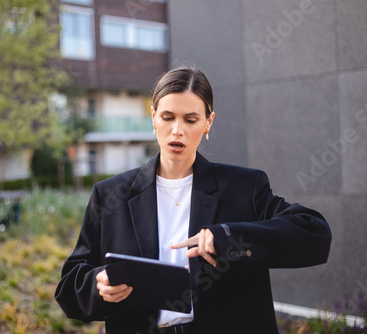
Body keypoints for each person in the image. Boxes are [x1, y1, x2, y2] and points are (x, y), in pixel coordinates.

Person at [55, 66, 331, 334]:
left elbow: (314, 233)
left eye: (190, 119)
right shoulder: (110, 195)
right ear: (153, 118)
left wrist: (227, 238)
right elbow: (69, 286)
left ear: (208, 122)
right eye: (167, 117)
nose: (177, 130)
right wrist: (98, 285)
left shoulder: (244, 188)